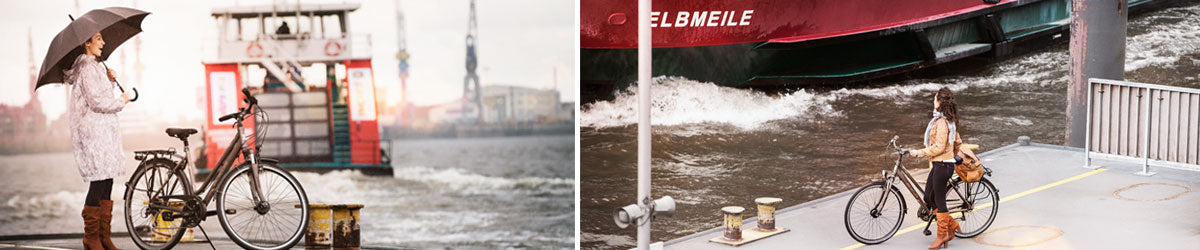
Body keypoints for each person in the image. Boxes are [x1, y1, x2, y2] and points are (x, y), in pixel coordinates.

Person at [65, 32, 131, 250]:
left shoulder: (96, 66)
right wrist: (121, 100)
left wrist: (109, 81)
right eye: (98, 39)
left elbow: (99, 95)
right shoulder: (86, 68)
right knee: (99, 181)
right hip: (94, 133)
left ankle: (104, 237)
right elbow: (97, 102)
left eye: (103, 38)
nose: (103, 42)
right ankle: (91, 238)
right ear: (87, 43)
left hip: (104, 132)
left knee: (108, 180)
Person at [903, 87, 962, 249]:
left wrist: (917, 153)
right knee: (929, 198)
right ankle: (952, 225)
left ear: (940, 103)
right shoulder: (949, 119)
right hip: (942, 164)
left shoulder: (943, 122)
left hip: (943, 165)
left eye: (935, 99)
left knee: (939, 201)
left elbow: (938, 148)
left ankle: (943, 235)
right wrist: (952, 155)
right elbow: (957, 143)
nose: (933, 102)